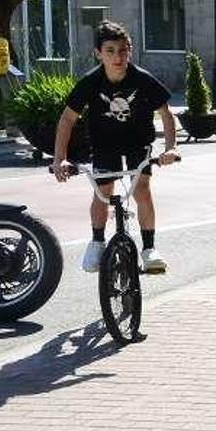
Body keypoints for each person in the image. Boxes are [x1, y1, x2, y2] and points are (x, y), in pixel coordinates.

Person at [50, 20, 179, 273]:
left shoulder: (142, 79)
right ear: (99, 53)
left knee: (141, 188)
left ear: (129, 50)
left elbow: (166, 113)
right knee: (103, 189)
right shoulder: (91, 82)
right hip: (104, 142)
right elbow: (67, 119)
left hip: (137, 141)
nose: (117, 57)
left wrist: (170, 148)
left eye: (123, 50)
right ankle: (97, 242)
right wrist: (59, 159)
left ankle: (149, 249)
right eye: (110, 51)